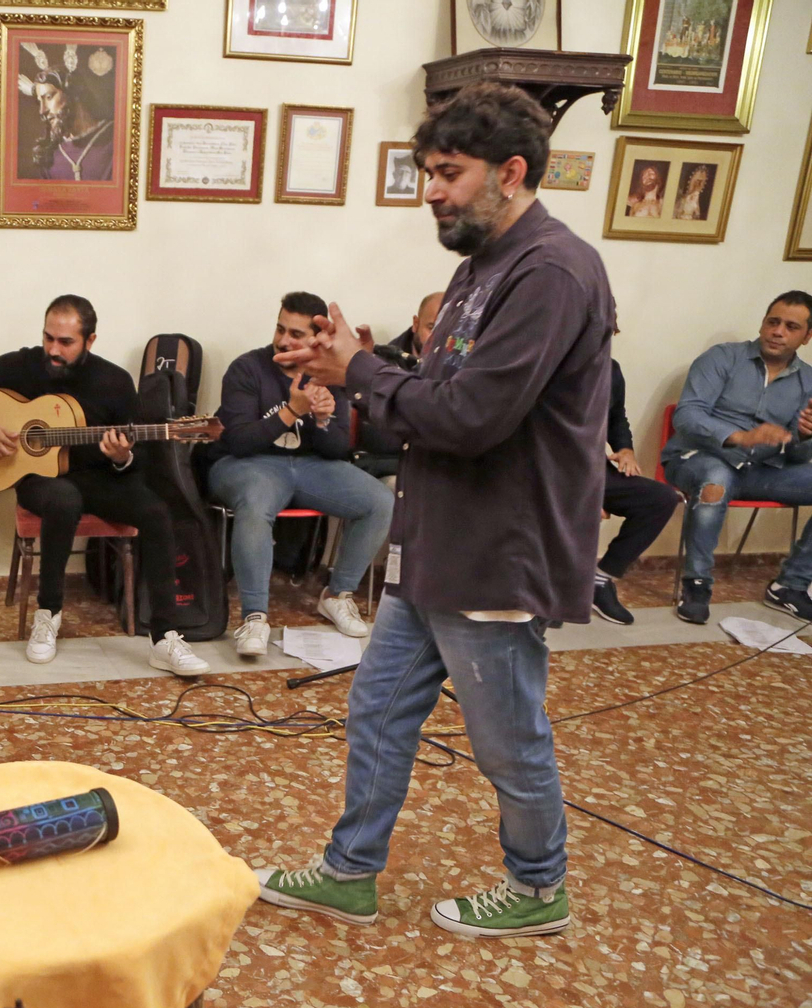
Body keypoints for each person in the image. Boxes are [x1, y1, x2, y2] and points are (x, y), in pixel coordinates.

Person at [256, 82, 614, 938]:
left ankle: (538, 888)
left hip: (497, 546)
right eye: (427, 172)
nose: (432, 191)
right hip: (436, 539)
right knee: (377, 707)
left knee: (505, 737)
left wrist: (365, 376)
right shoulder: (477, 268)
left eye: (448, 173)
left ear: (513, 171)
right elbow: (437, 391)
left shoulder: (554, 272)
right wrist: (364, 370)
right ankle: (350, 872)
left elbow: (472, 418)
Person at [0, 294, 208, 676]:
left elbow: (138, 461)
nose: (53, 350)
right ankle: (48, 614)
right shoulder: (24, 364)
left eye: (65, 342)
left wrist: (120, 457)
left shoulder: (113, 381)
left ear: (90, 341)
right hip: (37, 478)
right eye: (49, 338)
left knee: (156, 511)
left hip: (98, 478)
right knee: (63, 499)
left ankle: (164, 638)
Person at [205, 291, 394, 652]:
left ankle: (338, 594)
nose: (282, 340)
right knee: (256, 500)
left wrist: (323, 420)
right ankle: (254, 617)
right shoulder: (246, 368)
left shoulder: (326, 374)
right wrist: (291, 411)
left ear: (316, 339)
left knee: (380, 501)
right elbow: (240, 441)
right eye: (280, 329)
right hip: (244, 465)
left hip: (309, 467)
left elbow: (340, 451)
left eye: (294, 334)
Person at [660, 291, 812, 624]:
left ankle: (791, 585)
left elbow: (797, 456)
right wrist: (739, 437)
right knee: (716, 478)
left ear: (806, 336)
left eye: (791, 326)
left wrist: (804, 436)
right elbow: (686, 415)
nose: (778, 331)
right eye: (772, 322)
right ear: (762, 323)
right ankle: (696, 584)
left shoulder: (808, 381)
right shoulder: (722, 358)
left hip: (762, 471)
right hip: (696, 459)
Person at [594, 358, 683, 624]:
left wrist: (624, 449)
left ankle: (599, 580)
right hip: (550, 472)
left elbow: (616, 416)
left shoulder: (609, 368)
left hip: (595, 470)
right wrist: (582, 494)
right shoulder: (549, 362)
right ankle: (552, 591)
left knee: (660, 498)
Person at [353, 293, 445, 479]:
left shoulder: (461, 367)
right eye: (431, 327)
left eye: (446, 330)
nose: (438, 339)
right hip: (391, 470)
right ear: (416, 324)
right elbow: (378, 439)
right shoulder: (383, 363)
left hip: (440, 472)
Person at [24, 65, 114, 182]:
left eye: (49, 97)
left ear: (72, 93)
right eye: (39, 102)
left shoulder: (113, 137)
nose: (42, 110)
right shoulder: (49, 154)